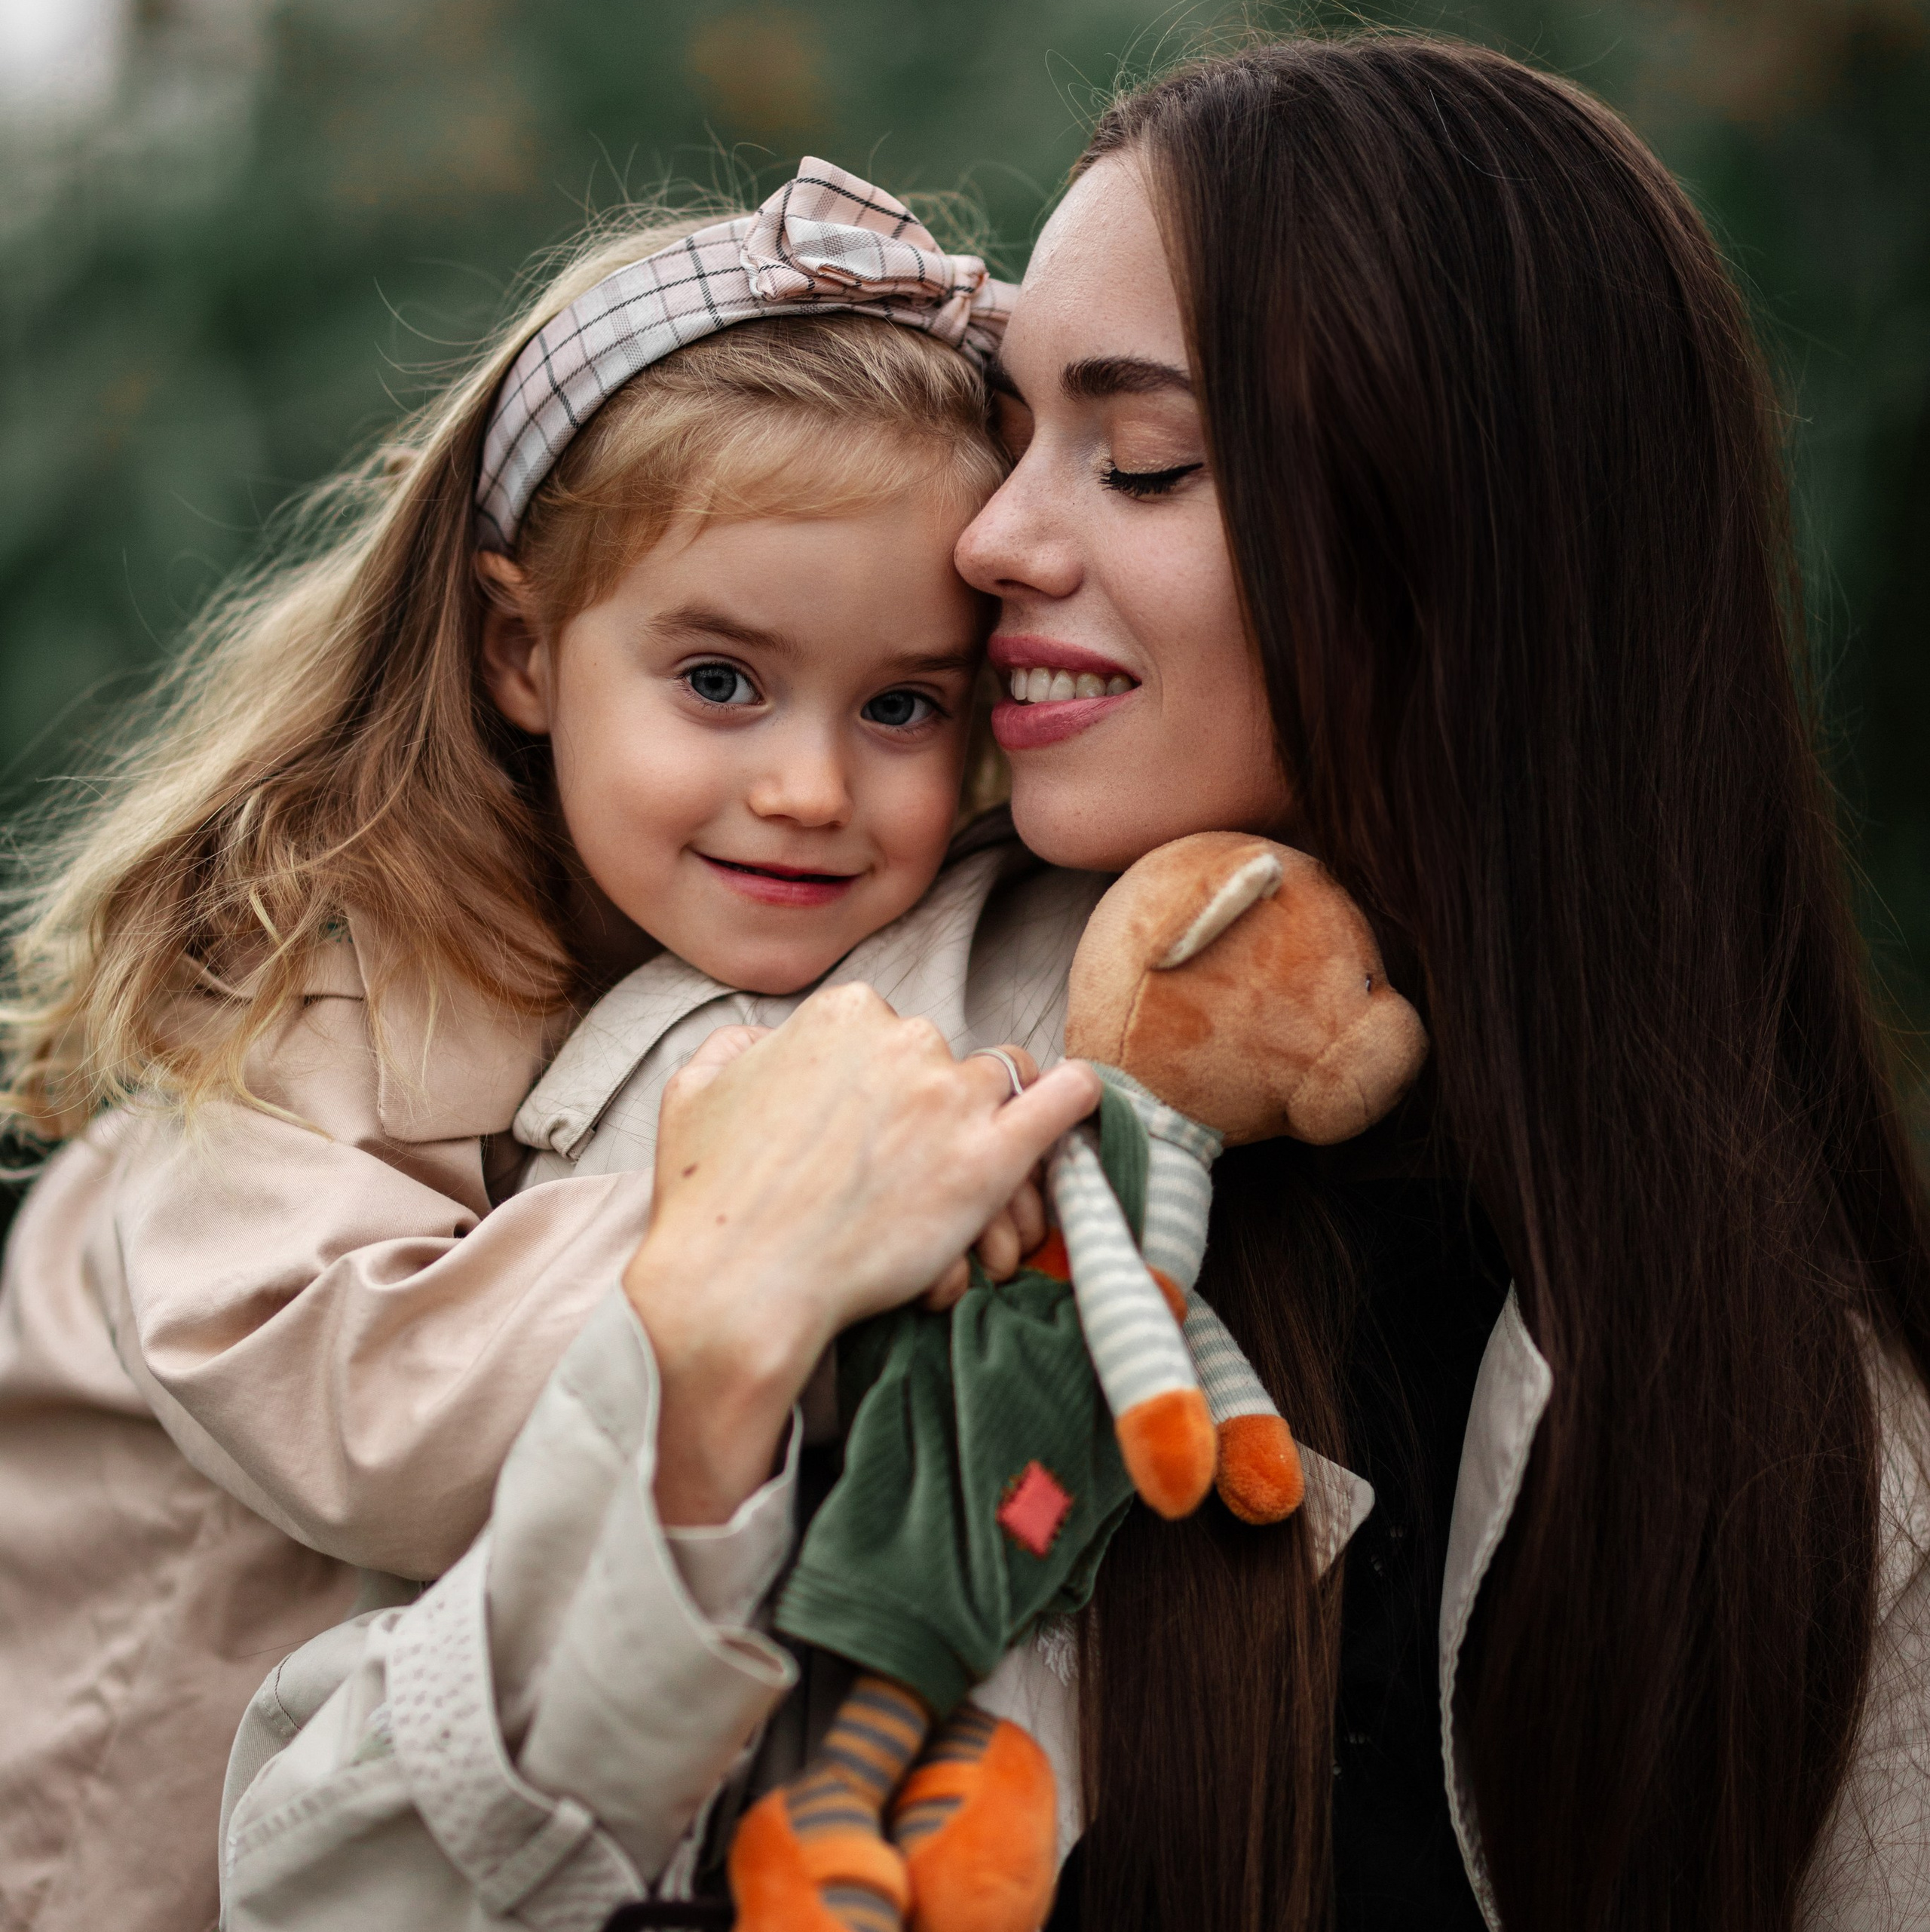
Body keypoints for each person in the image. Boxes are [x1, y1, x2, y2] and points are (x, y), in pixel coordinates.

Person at [222, 35, 1930, 1932]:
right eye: (1019, 432)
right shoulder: (824, 1077)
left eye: (1137, 461)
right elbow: (319, 1882)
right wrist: (693, 1407)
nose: (990, 538)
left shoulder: (1803, 1413)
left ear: (1460, 551)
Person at [0, 160, 1103, 1932]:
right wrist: (762, 1214)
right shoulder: (336, 958)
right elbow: (345, 1402)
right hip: (127, 1818)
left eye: (901, 703)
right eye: (720, 681)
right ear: (523, 650)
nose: (806, 786)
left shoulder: (857, 952)